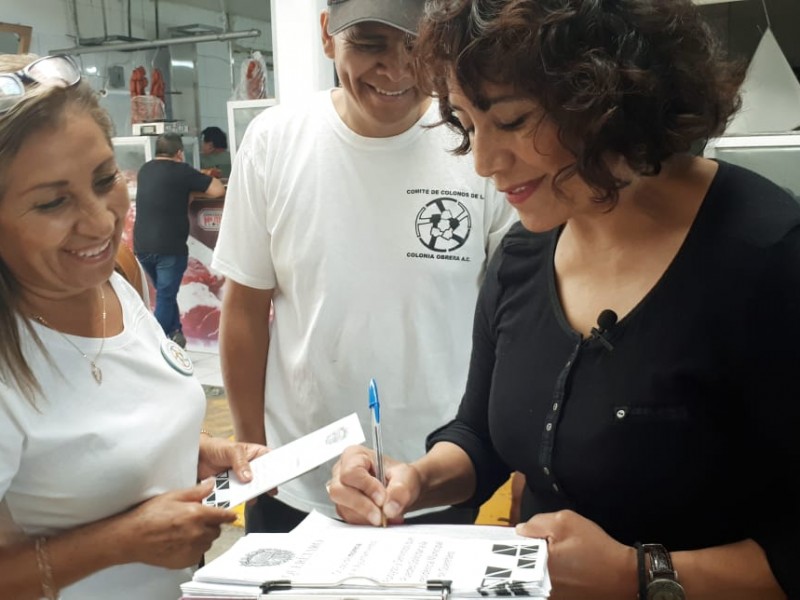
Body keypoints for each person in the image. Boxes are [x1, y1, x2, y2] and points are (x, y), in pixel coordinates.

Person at [327, 1, 800, 599]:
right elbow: (480, 436)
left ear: (610, 95)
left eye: (514, 120)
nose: (484, 162)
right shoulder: (525, 254)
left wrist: (640, 575)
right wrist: (415, 480)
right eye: (469, 127)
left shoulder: (766, 258)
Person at [211, 0, 517, 533]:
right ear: (327, 35)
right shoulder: (275, 141)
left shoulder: (477, 145)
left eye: (417, 47)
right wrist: (252, 447)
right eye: (370, 44)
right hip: (297, 481)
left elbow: (515, 324)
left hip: (439, 475)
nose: (397, 70)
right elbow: (244, 308)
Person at [0, 53, 267, 600]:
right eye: (53, 202)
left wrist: (196, 449)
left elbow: (94, 440)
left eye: (105, 180)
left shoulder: (114, 278)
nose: (100, 221)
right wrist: (122, 542)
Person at [134, 132, 224, 348]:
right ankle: (156, 347)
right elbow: (217, 189)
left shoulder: (145, 170)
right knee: (166, 295)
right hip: (169, 247)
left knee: (165, 294)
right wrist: (190, 189)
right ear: (180, 153)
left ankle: (176, 335)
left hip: (142, 246)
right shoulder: (182, 171)